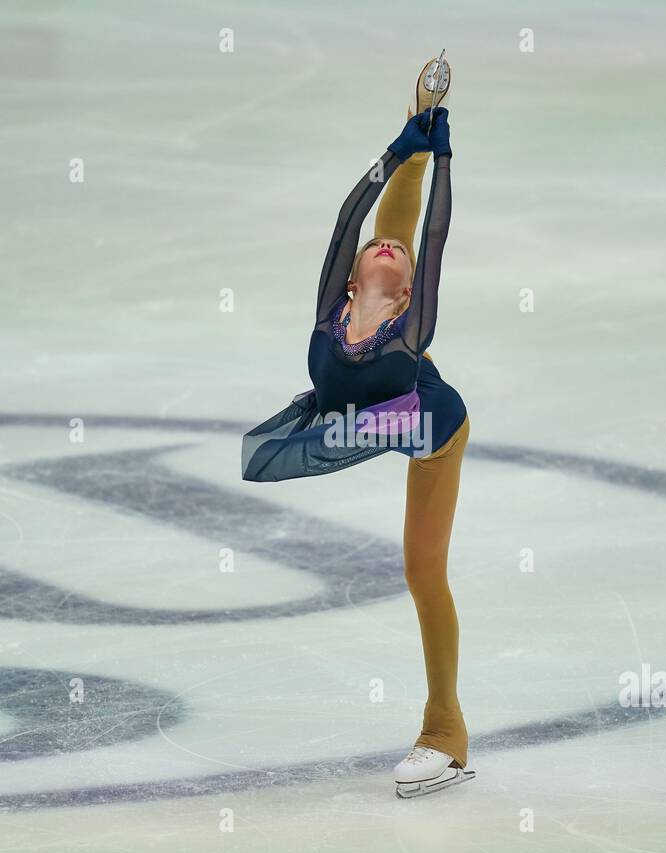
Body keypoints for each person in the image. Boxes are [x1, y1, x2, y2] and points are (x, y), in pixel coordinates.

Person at [242, 59, 472, 798]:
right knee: (272, 454)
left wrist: (442, 155)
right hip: (353, 408)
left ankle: (445, 731)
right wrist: (402, 143)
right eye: (380, 250)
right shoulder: (328, 311)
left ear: (407, 290)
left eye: (398, 257)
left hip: (423, 422)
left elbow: (429, 234)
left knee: (420, 573)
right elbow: (358, 219)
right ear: (352, 281)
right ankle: (417, 110)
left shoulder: (411, 328)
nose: (389, 248)